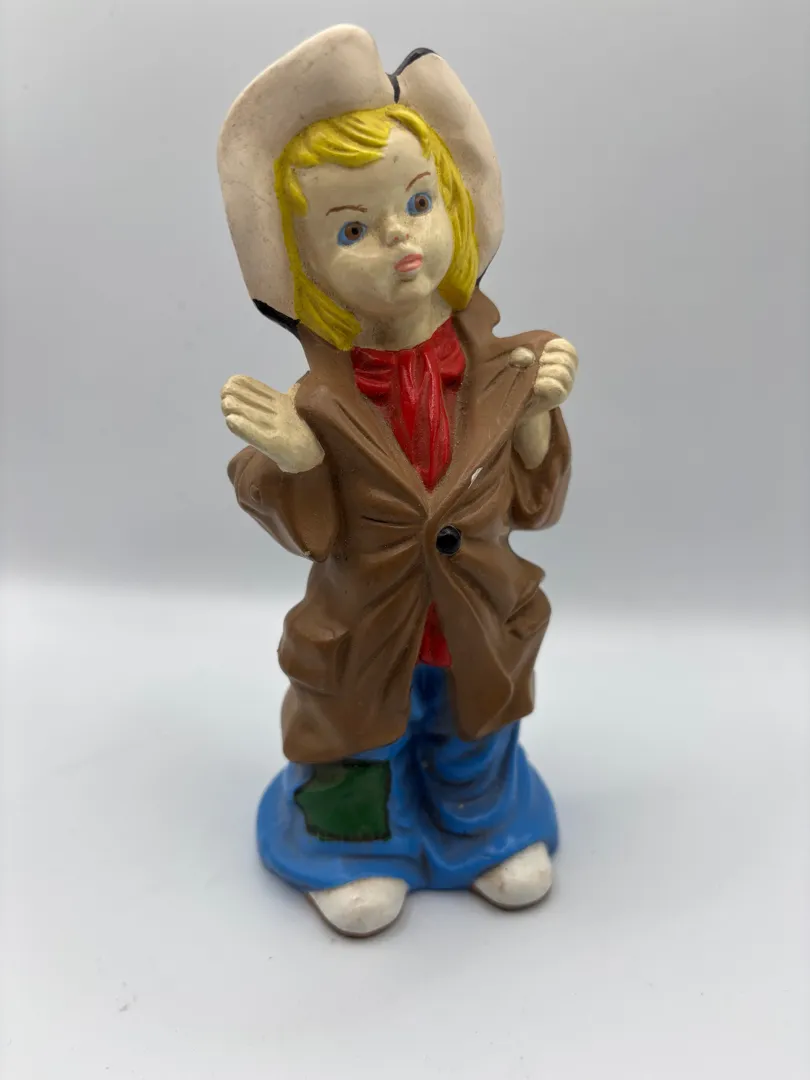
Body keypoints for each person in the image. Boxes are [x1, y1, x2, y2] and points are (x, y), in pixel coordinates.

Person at [218, 26, 578, 937]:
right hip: (365, 627)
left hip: (476, 616)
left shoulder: (511, 368)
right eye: (351, 229)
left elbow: (534, 505)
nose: (398, 239)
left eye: (417, 203)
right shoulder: (320, 401)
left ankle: (480, 825)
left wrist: (536, 416)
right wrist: (298, 461)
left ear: (455, 204)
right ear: (304, 266)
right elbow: (311, 531)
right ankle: (352, 847)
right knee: (354, 743)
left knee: (473, 729)